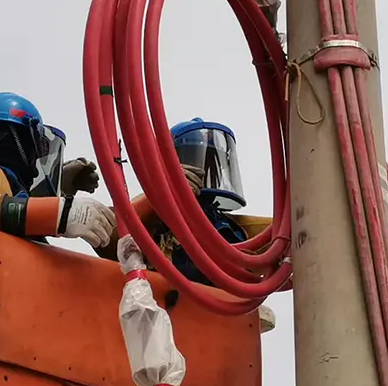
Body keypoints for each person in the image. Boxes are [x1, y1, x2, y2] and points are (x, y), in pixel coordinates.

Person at [96, 118, 270, 286]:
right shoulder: (147, 224)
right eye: (194, 158)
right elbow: (108, 229)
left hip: (216, 311)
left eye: (211, 164)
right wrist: (160, 194)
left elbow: (281, 236)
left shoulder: (230, 229)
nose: (202, 173)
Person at [0, 92, 117, 249]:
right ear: (23, 139)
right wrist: (61, 214)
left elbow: (20, 216)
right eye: (38, 147)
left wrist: (62, 188)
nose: (36, 157)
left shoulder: (4, 183)